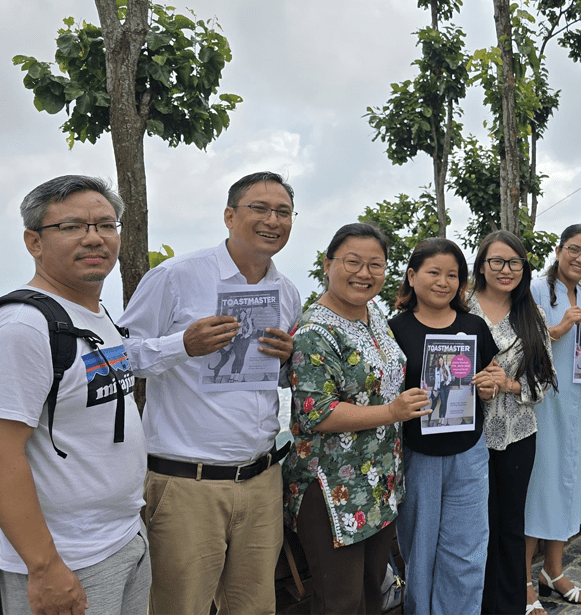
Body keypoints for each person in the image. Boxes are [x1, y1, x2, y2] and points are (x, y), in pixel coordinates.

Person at [119, 172, 301, 614]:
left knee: (255, 607)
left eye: (283, 212)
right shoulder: (176, 277)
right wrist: (182, 344)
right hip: (186, 484)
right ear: (229, 215)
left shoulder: (287, 292)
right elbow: (118, 357)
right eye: (259, 208)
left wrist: (284, 362)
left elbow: (270, 383)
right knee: (179, 607)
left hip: (261, 479)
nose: (272, 220)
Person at [0, 176, 149, 615]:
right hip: (66, 558)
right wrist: (44, 567)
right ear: (34, 242)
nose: (94, 238)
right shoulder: (23, 329)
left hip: (122, 537)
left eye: (106, 224)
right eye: (72, 227)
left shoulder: (93, 311)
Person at [282, 223, 430, 614]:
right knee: (340, 602)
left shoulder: (375, 314)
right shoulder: (314, 330)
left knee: (371, 593)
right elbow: (317, 412)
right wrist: (391, 412)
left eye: (375, 265)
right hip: (331, 486)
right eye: (352, 262)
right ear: (328, 264)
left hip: (378, 480)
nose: (364, 274)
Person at [388, 238, 502, 615]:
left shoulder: (474, 327)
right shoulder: (393, 331)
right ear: (411, 275)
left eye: (452, 275)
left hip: (469, 453)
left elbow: (489, 379)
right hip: (416, 455)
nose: (443, 281)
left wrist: (489, 385)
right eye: (433, 272)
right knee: (420, 549)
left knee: (467, 549)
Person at [467, 231, 556, 615]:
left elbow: (544, 380)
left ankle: (509, 602)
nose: (506, 270)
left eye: (514, 262)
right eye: (497, 262)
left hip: (518, 433)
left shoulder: (532, 314)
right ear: (481, 265)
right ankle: (477, 603)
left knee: (510, 524)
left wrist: (508, 384)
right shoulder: (459, 308)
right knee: (475, 526)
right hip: (467, 436)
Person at [525, 225, 581, 611]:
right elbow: (521, 341)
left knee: (570, 483)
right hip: (544, 401)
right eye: (574, 250)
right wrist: (560, 327)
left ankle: (552, 570)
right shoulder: (537, 290)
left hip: (580, 399)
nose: (580, 259)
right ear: (558, 250)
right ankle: (523, 579)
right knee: (540, 485)